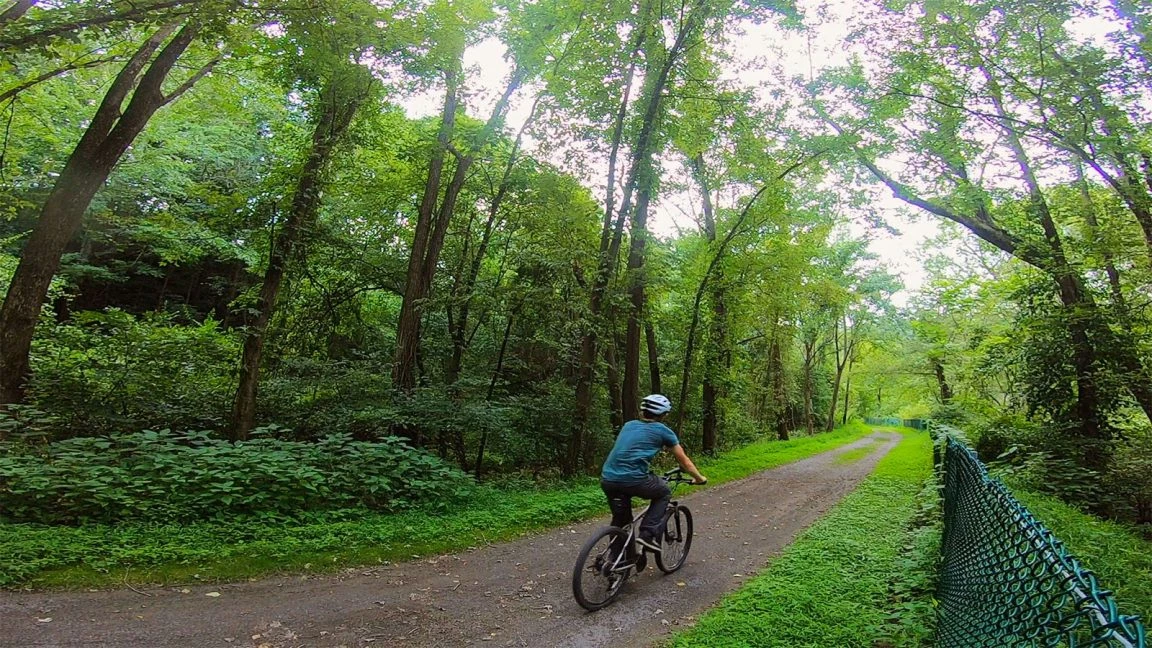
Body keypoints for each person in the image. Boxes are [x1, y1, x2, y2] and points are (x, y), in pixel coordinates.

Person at [600, 394, 707, 553]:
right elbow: (685, 462)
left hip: (608, 479)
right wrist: (699, 478)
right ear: (664, 415)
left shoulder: (628, 425)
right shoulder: (664, 431)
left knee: (621, 521)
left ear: (642, 411)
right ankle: (647, 534)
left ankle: (616, 562)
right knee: (663, 492)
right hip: (634, 479)